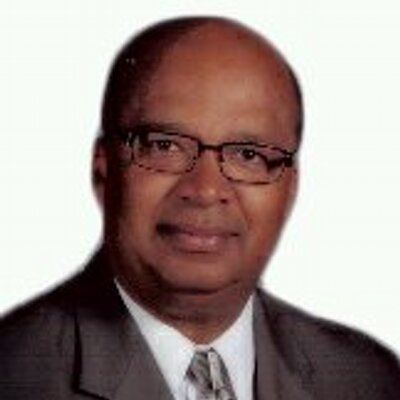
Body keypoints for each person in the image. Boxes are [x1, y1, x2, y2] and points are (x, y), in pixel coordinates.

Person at [0, 16, 399, 400]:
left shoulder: (368, 379)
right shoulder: (15, 376)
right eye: (164, 145)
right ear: (103, 166)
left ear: (290, 187)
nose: (206, 190)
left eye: (248, 154)